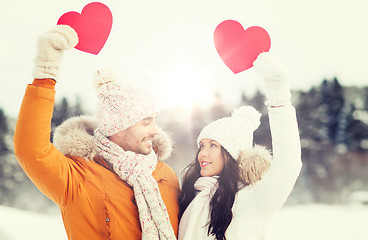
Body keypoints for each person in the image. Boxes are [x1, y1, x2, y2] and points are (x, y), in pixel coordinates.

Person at [13, 25, 179, 240]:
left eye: (154, 121)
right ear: (117, 127)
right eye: (146, 122)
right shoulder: (76, 178)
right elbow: (30, 150)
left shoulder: (166, 175)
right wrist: (46, 73)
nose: (156, 131)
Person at [178, 52, 303, 240]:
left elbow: (289, 164)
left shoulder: (253, 198)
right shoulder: (190, 194)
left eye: (213, 145)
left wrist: (278, 94)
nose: (203, 153)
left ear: (232, 153)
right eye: (201, 146)